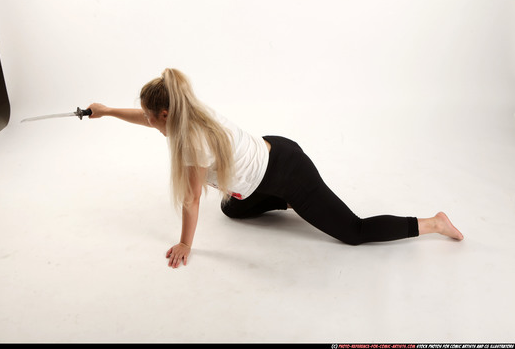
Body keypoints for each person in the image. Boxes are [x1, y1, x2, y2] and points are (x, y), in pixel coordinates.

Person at [88, 68, 464, 269]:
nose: (149, 122)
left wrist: (186, 243)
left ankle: (433, 222)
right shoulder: (185, 110)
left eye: (153, 118)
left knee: (353, 231)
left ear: (166, 114)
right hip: (260, 169)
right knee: (232, 209)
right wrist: (106, 111)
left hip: (287, 170)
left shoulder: (192, 140)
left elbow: (190, 199)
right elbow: (145, 116)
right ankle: (286, 203)